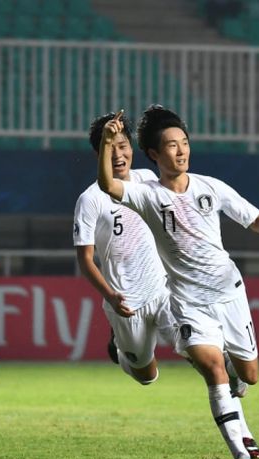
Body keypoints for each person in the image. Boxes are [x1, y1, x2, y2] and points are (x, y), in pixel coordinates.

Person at [97, 105, 259, 459]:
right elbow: (109, 186)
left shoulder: (210, 187)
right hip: (189, 304)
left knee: (249, 376)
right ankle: (241, 455)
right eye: (172, 146)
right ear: (155, 155)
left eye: (185, 143)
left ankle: (235, 373)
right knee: (211, 369)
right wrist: (108, 146)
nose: (182, 151)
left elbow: (252, 218)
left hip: (230, 294)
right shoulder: (146, 195)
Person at [74, 112, 175, 385]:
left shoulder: (145, 178)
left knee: (194, 346)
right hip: (126, 302)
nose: (119, 154)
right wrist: (110, 296)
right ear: (99, 154)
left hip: (162, 288)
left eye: (123, 146)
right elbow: (85, 260)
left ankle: (228, 375)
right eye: (110, 147)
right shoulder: (90, 199)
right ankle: (123, 353)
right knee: (147, 375)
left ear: (132, 148)